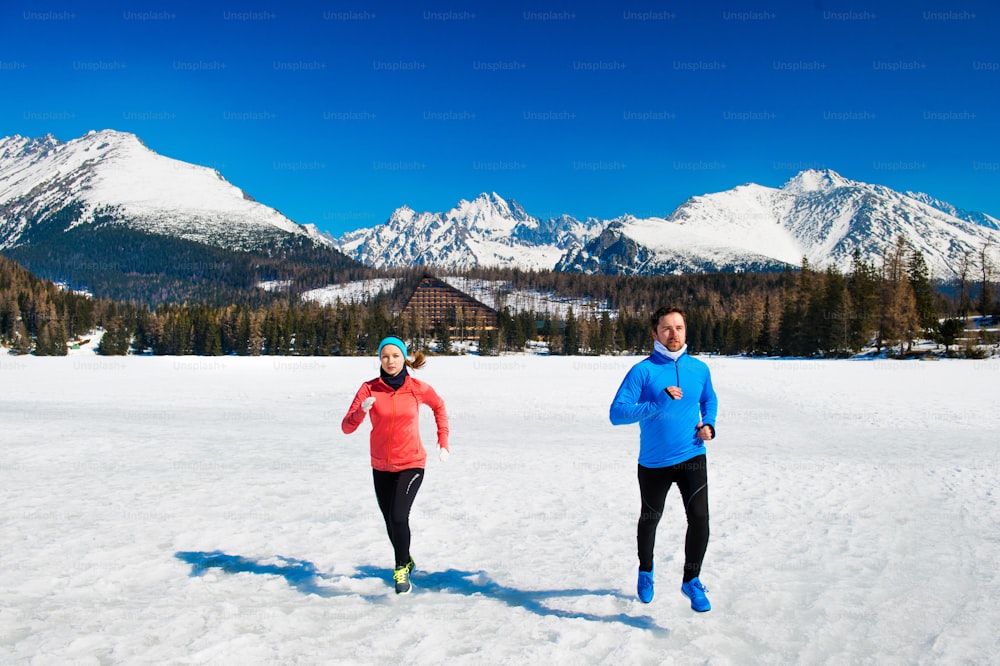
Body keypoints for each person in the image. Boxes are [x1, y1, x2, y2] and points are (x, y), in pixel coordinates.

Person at [609, 307, 718, 611]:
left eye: (679, 327)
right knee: (650, 518)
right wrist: (656, 402)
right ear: (654, 333)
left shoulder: (699, 369)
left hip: (692, 455)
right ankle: (646, 570)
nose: (674, 334)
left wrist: (708, 423)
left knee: (699, 518)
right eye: (666, 328)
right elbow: (616, 414)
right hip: (654, 462)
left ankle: (691, 580)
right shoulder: (642, 371)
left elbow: (709, 399)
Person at [341, 336, 450, 594]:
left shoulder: (417, 388)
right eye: (385, 356)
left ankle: (401, 568)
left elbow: (439, 407)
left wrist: (443, 439)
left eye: (395, 356)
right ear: (380, 359)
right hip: (380, 465)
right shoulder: (368, 389)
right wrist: (361, 412)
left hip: (411, 462)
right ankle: (407, 557)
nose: (390, 361)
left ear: (404, 358)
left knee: (399, 516)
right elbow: (346, 427)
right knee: (390, 520)